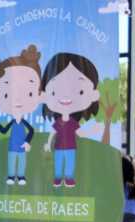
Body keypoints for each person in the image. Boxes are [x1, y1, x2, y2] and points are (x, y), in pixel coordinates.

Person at [41, 52, 103, 188]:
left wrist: (93, 130)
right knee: (59, 163)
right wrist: (48, 143)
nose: (66, 96)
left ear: (93, 94)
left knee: (69, 163)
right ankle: (58, 178)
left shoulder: (73, 123)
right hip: (58, 148)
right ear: (44, 95)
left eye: (80, 91)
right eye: (55, 91)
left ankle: (68, 178)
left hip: (70, 148)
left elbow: (80, 133)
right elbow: (52, 133)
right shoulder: (58, 123)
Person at [0, 44, 43, 186]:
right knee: (12, 161)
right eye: (8, 94)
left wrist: (27, 142)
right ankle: (12, 176)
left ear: (39, 95)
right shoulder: (13, 122)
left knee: (22, 162)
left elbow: (31, 131)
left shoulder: (24, 123)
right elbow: (4, 130)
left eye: (28, 93)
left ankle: (22, 177)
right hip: (12, 147)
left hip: (21, 147)